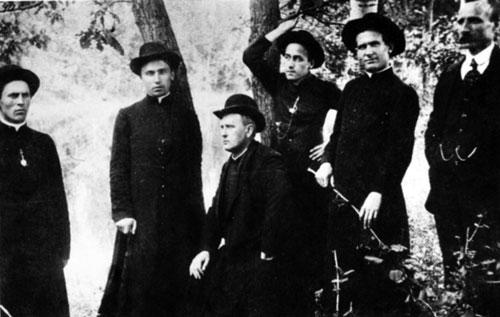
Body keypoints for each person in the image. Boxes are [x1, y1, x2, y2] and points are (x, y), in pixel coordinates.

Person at [315, 13, 419, 315]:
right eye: (361, 47)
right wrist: (326, 163)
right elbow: (336, 136)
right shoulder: (351, 89)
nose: (368, 52)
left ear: (389, 48)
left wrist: (378, 190)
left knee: (381, 275)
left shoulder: (403, 94)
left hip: (379, 200)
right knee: (343, 271)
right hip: (344, 196)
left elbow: (400, 150)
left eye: (374, 44)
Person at [99, 42, 205, 316]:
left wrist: (199, 225)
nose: (156, 79)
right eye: (150, 73)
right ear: (141, 77)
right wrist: (122, 212)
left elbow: (194, 175)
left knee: (177, 292)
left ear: (172, 75)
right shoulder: (128, 117)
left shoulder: (187, 117)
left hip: (178, 222)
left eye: (162, 72)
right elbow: (118, 168)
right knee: (138, 291)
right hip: (140, 222)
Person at [243, 19, 341, 304]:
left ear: (310, 63)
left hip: (311, 178)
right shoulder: (277, 84)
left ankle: (317, 300)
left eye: (298, 59)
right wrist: (285, 28)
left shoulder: (325, 90)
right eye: (286, 57)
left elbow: (349, 119)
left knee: (312, 238)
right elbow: (250, 56)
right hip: (279, 175)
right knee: (280, 235)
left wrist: (330, 145)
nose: (290, 64)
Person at [189, 94, 298, 316]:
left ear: (249, 131)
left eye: (230, 126)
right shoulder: (229, 166)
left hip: (261, 260)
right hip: (233, 257)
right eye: (221, 127)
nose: (223, 133)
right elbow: (215, 212)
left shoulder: (268, 161)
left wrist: (267, 253)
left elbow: (277, 209)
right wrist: (206, 248)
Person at [425, 0, 500, 314]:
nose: (463, 28)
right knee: (454, 276)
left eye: (473, 21)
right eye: (459, 21)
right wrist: (439, 160)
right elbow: (432, 131)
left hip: (492, 200)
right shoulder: (451, 75)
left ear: (495, 27)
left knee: (490, 278)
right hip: (448, 198)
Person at [0, 65, 70, 317]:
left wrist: (63, 249)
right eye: (13, 96)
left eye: (25, 95)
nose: (20, 102)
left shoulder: (43, 143)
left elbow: (58, 200)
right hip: (6, 259)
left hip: (44, 256)